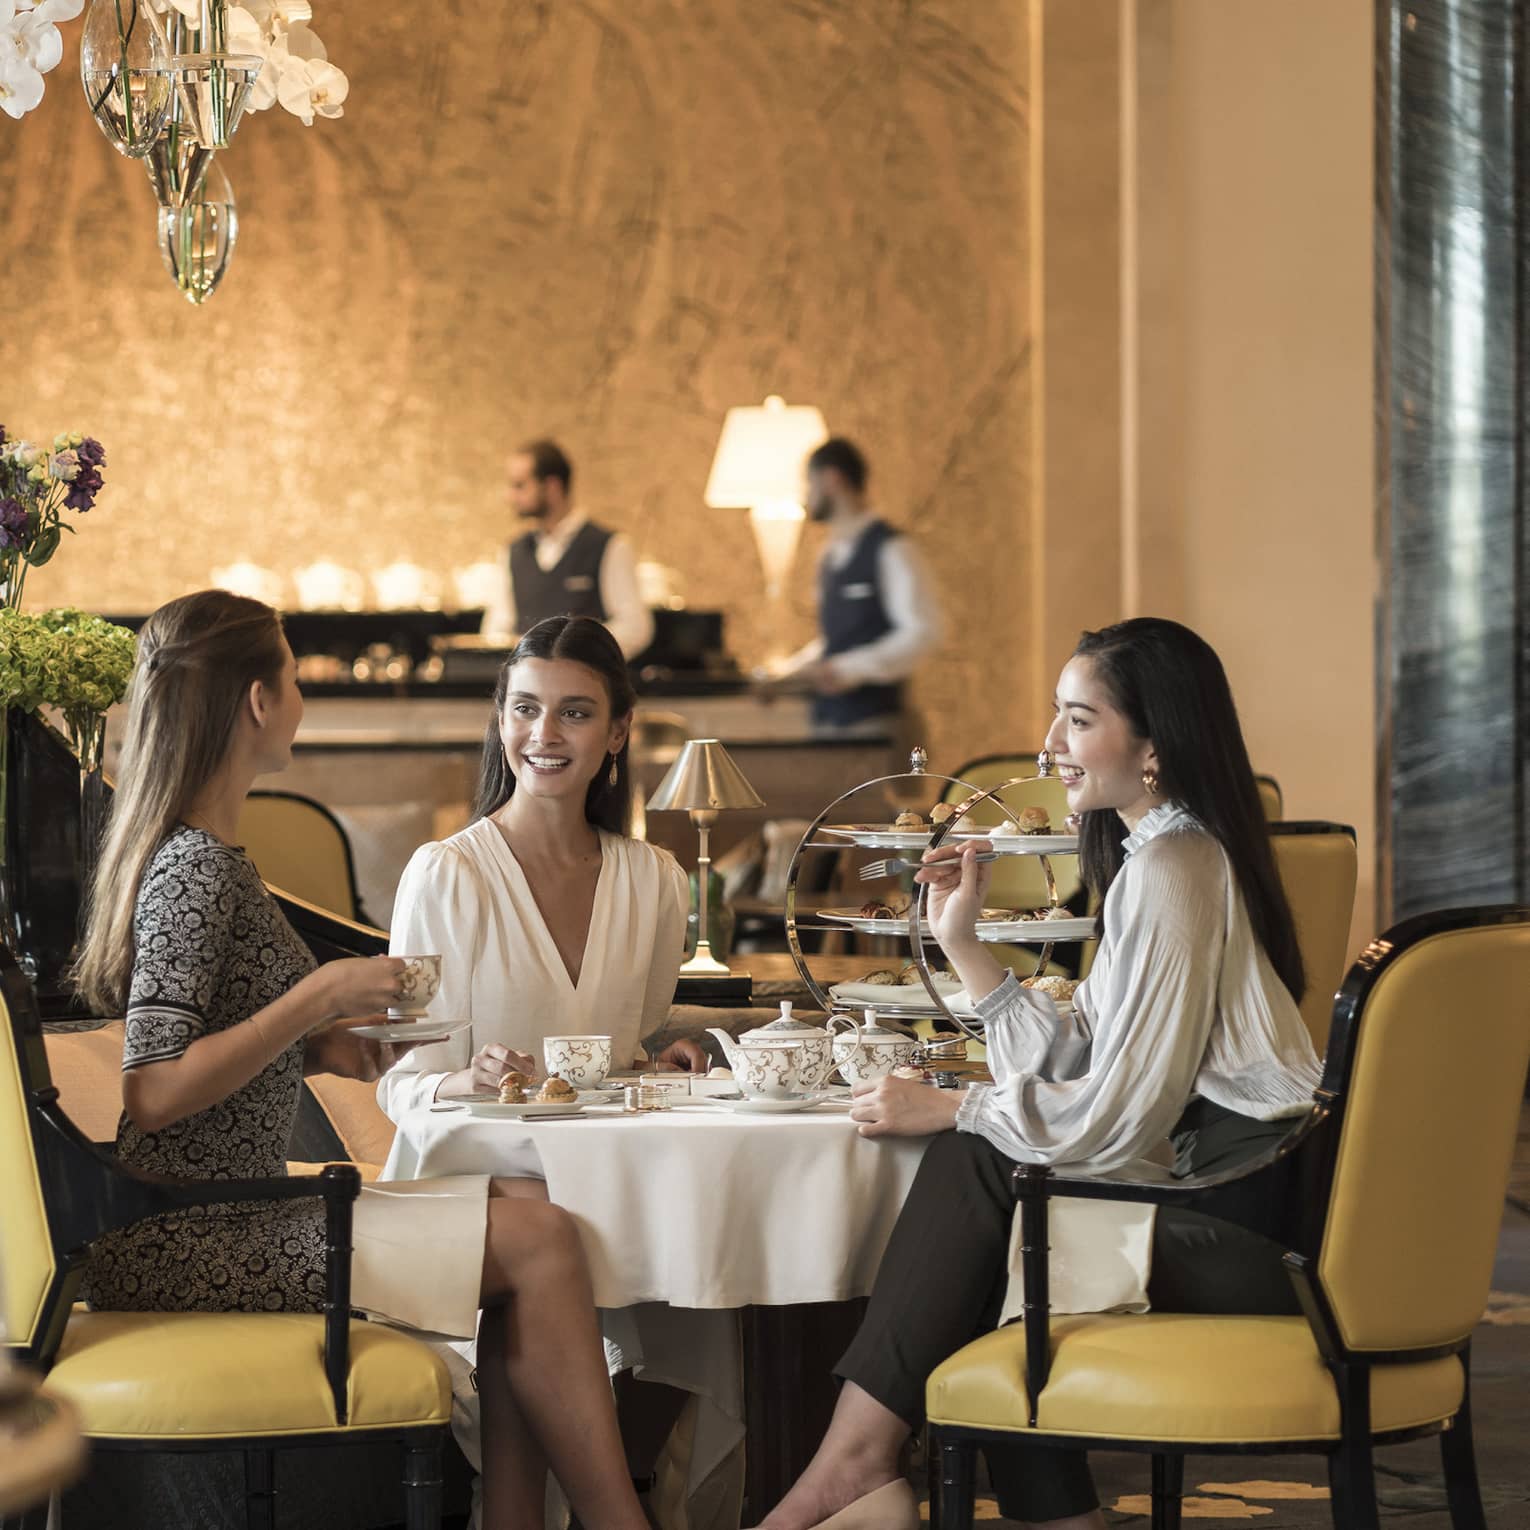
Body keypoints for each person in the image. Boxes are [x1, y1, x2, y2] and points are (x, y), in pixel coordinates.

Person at [74, 590, 651, 1530]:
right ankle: (615, 1519)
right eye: (295, 677)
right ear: (260, 702)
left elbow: (230, 1057)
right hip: (189, 1237)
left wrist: (340, 1048)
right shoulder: (195, 867)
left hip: (222, 1212)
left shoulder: (213, 856)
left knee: (531, 1219)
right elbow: (153, 1092)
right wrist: (314, 1001)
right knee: (539, 1240)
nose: (301, 696)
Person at [753, 618, 1322, 1530]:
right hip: (1218, 1189)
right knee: (994, 1188)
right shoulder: (1158, 858)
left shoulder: (1176, 868)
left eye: (1078, 719)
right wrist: (964, 945)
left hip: (1258, 1222)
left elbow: (1122, 1117)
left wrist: (954, 1105)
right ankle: (887, 1477)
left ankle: (855, 1469)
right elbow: (1087, 1052)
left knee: (986, 1174)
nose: (1051, 746)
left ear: (1153, 746)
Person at [379, 614, 701, 1119]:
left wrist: (650, 1071)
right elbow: (400, 1087)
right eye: (526, 708)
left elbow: (609, 1069)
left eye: (574, 714)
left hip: (606, 1160)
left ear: (618, 732)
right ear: (502, 720)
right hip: (484, 1166)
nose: (544, 733)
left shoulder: (655, 882)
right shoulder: (446, 876)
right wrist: (468, 1080)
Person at [770, 437, 941, 732]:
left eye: (808, 484)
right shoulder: (828, 556)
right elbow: (835, 641)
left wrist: (847, 670)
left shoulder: (892, 548)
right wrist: (786, 676)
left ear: (831, 479)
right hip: (827, 723)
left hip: (877, 724)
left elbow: (923, 631)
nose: (805, 496)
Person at [480, 439, 654, 659]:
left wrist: (576, 652)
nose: (510, 496)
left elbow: (635, 628)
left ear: (552, 486)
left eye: (520, 486)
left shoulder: (610, 546)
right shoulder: (511, 552)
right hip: (529, 685)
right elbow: (495, 629)